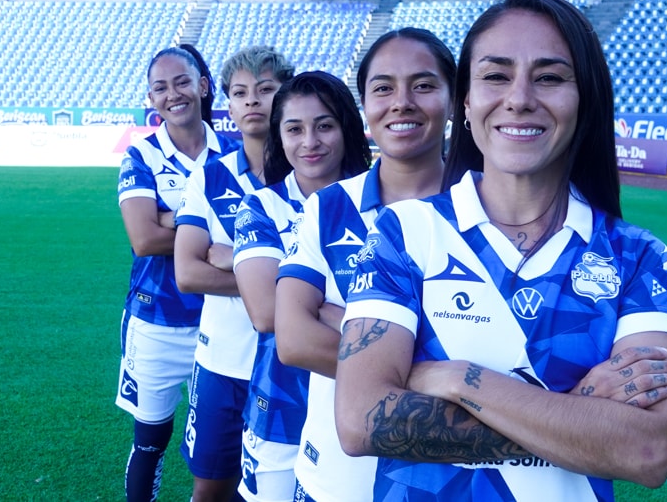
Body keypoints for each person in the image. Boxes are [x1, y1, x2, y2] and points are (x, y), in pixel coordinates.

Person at [334, 0, 667, 501]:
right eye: (496, 76)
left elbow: (647, 449)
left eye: (549, 77)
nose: (519, 98)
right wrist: (578, 414)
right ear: (467, 101)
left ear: (584, 98)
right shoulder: (402, 232)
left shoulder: (639, 258)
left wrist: (460, 379)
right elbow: (362, 419)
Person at [273, 28, 457, 502]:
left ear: (454, 99)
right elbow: (293, 339)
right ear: (366, 107)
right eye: (383, 88)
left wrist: (359, 334)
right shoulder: (328, 207)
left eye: (423, 85)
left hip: (449, 481)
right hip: (335, 478)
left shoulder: (491, 208)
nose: (401, 103)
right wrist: (450, 374)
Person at [232, 71, 372, 502]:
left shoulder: (383, 202)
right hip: (282, 402)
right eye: (294, 129)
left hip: (363, 407)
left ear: (346, 128)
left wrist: (308, 306)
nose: (310, 141)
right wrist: (365, 320)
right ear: (279, 135)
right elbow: (267, 314)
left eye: (324, 125)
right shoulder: (261, 206)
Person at [116, 43, 239, 502]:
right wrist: (210, 235)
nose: (173, 94)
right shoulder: (141, 156)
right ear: (151, 98)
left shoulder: (236, 151)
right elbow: (144, 239)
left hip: (228, 319)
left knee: (227, 445)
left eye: (182, 82)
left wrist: (172, 218)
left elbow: (257, 230)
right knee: (151, 440)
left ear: (203, 86)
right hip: (158, 322)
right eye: (161, 87)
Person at [173, 46, 294, 501]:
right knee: (211, 488)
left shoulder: (314, 175)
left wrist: (234, 257)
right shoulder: (209, 177)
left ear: (287, 95)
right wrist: (281, 281)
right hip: (221, 362)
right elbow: (188, 272)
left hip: (292, 369)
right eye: (240, 93)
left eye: (266, 89)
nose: (252, 101)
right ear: (227, 103)